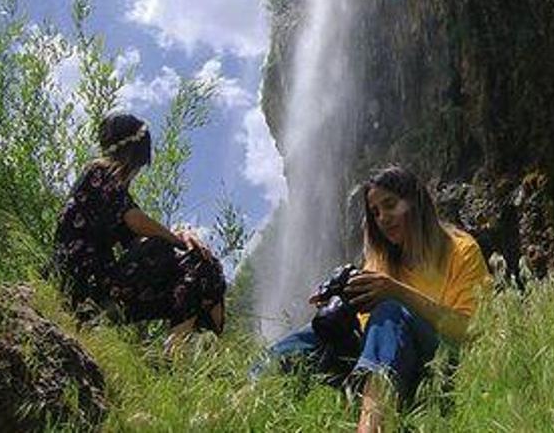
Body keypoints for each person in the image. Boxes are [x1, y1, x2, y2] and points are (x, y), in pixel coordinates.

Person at [262, 165, 491, 432]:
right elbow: (369, 331)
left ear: (415, 201)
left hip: (440, 366)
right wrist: (342, 306)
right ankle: (245, 400)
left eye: (390, 204)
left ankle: (370, 426)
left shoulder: (460, 250)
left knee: (390, 312)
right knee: (310, 336)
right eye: (375, 212)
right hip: (385, 358)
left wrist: (397, 292)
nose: (382, 218)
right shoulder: (380, 260)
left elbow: (468, 331)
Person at [52, 112, 226, 342]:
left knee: (197, 269)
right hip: (83, 288)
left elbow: (139, 243)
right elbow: (136, 221)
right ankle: (197, 335)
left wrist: (184, 237)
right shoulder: (99, 172)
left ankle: (175, 355)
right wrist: (177, 239)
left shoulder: (111, 195)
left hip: (96, 288)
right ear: (134, 155)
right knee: (185, 257)